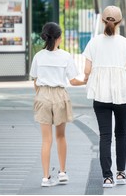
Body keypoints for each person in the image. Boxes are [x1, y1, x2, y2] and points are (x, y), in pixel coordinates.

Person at [83, 5, 126, 188]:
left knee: (105, 136)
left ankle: (107, 177)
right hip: (122, 94)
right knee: (121, 133)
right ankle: (121, 173)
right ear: (120, 22)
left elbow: (87, 70)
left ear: (102, 21)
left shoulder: (93, 43)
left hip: (100, 95)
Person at [29, 22, 86, 187]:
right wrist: (85, 81)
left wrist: (41, 94)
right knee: (60, 136)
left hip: (43, 95)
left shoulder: (38, 56)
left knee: (46, 140)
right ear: (59, 38)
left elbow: (35, 80)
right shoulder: (66, 56)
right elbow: (73, 81)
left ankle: (45, 178)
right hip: (60, 95)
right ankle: (62, 172)